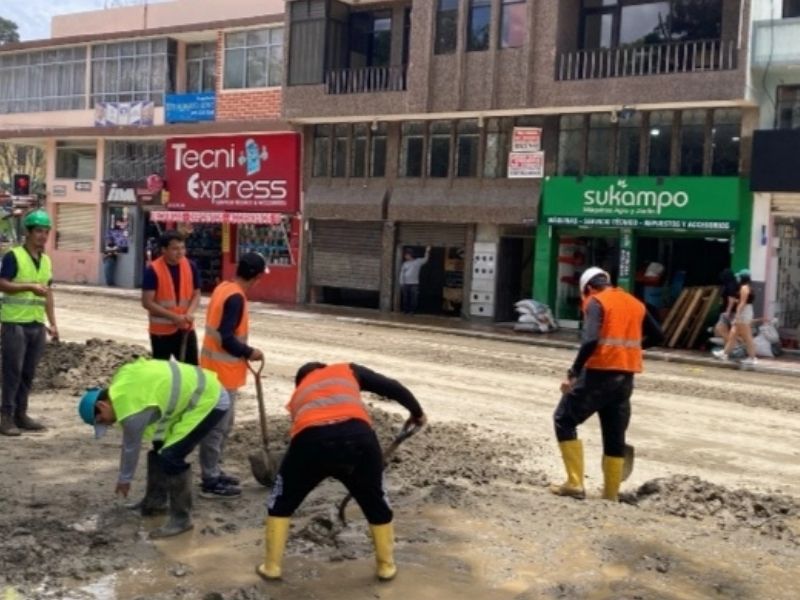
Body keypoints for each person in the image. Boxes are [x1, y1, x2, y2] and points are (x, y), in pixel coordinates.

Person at [256, 362, 427, 582]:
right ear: (322, 368)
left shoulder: (298, 396)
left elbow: (301, 431)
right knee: (375, 500)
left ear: (301, 380)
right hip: (358, 438)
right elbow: (391, 387)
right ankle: (386, 567)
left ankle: (272, 567)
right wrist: (417, 413)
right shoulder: (346, 370)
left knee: (281, 502)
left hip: (310, 442)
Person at [78, 358, 231, 538]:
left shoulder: (129, 407)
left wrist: (124, 480)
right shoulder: (121, 385)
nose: (109, 424)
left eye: (103, 420)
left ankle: (182, 519)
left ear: (101, 405)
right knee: (159, 446)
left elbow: (130, 447)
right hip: (195, 395)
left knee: (171, 456)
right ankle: (155, 503)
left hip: (209, 399)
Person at [550, 267, 663, 502]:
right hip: (625, 380)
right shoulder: (635, 303)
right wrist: (632, 350)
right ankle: (610, 493)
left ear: (588, 288)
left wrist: (573, 372)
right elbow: (658, 336)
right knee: (614, 434)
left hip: (598, 376)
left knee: (564, 418)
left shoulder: (596, 301)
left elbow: (591, 339)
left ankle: (574, 483)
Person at [197, 252, 267, 499]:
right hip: (221, 375)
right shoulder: (235, 298)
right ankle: (210, 479)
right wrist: (250, 352)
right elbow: (226, 338)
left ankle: (213, 470)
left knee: (223, 427)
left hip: (214, 369)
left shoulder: (223, 288)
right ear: (257, 277)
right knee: (216, 428)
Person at [0, 210, 58, 436]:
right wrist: (28, 287)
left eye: (46, 232)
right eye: (39, 232)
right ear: (29, 233)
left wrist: (53, 323)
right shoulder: (14, 256)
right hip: (15, 323)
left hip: (36, 323)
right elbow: (2, 284)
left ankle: (20, 413)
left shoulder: (45, 261)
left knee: (27, 372)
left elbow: (48, 293)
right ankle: (5, 416)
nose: (43, 236)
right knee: (12, 371)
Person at [141, 231, 201, 364]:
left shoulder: (191, 266)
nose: (180, 252)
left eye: (182, 248)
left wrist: (189, 313)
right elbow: (147, 302)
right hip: (161, 333)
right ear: (164, 250)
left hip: (185, 328)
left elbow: (196, 293)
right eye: (175, 249)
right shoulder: (153, 270)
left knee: (191, 370)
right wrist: (174, 317)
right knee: (162, 372)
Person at [714, 269, 757, 365]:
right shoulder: (747, 287)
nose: (737, 278)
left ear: (743, 278)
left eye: (739, 277)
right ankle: (725, 354)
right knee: (733, 334)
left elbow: (742, 302)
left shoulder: (744, 288)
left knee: (747, 336)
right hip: (745, 311)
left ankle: (752, 358)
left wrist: (737, 314)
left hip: (744, 313)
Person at [398, 246, 431, 315]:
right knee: (405, 298)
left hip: (414, 284)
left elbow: (425, 259)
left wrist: (427, 251)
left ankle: (412, 311)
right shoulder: (405, 264)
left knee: (414, 299)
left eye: (407, 255)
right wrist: (401, 282)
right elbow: (402, 273)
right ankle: (405, 310)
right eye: (405, 255)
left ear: (410, 255)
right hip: (406, 283)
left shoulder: (418, 261)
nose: (405, 256)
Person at [713, 268, 739, 344]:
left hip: (728, 311)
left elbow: (731, 299)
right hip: (730, 311)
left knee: (719, 328)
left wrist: (728, 311)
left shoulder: (730, 285)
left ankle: (732, 344)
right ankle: (728, 347)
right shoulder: (734, 284)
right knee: (726, 329)